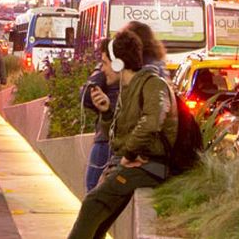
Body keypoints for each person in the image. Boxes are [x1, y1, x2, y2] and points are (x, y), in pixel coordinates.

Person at [67, 30, 178, 239]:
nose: (103, 69)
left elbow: (152, 122)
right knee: (99, 214)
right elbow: (117, 136)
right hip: (136, 164)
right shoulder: (128, 89)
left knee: (93, 203)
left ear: (119, 63)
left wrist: (128, 155)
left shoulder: (153, 84)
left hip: (148, 165)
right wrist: (107, 111)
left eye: (105, 63)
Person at [81, 37, 121, 192]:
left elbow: (85, 95)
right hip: (109, 139)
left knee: (93, 189)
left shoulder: (113, 83)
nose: (102, 68)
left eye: (104, 62)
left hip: (106, 141)